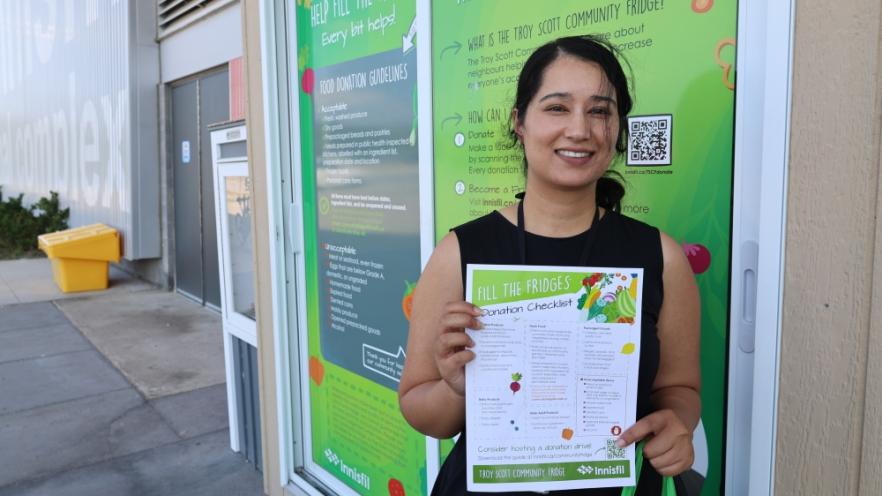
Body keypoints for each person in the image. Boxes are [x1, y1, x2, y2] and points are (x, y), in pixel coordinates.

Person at [398, 35, 700, 495]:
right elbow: (423, 412)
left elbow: (679, 389)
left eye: (600, 111)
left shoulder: (659, 257)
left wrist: (675, 426)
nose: (580, 129)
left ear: (617, 127)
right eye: (557, 108)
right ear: (519, 121)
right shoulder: (460, 252)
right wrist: (457, 387)